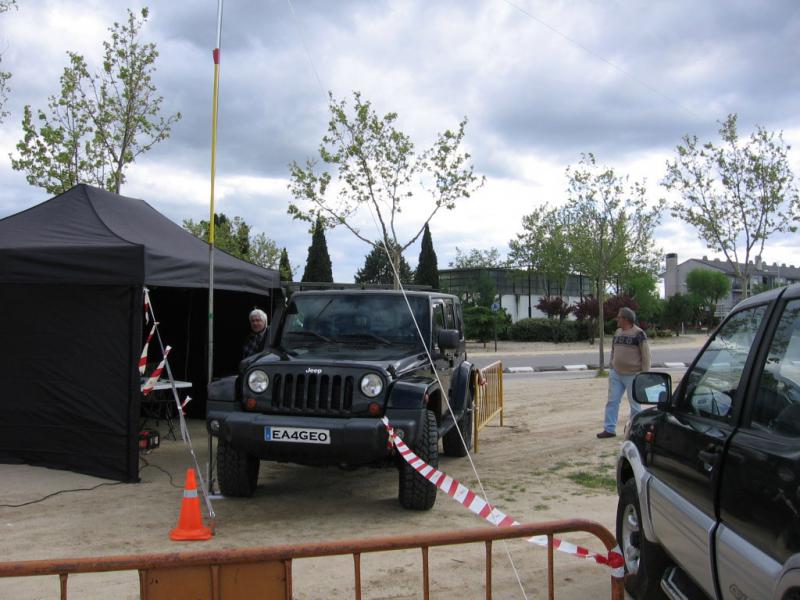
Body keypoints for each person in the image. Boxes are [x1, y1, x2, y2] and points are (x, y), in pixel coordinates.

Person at [597, 307, 651, 439]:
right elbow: (613, 350)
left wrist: (644, 375)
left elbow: (646, 356)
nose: (617, 319)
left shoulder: (639, 334)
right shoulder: (617, 332)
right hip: (616, 373)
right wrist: (611, 365)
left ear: (626, 319)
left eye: (619, 317)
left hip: (633, 375)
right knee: (612, 401)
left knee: (635, 405)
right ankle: (609, 429)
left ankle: (634, 430)